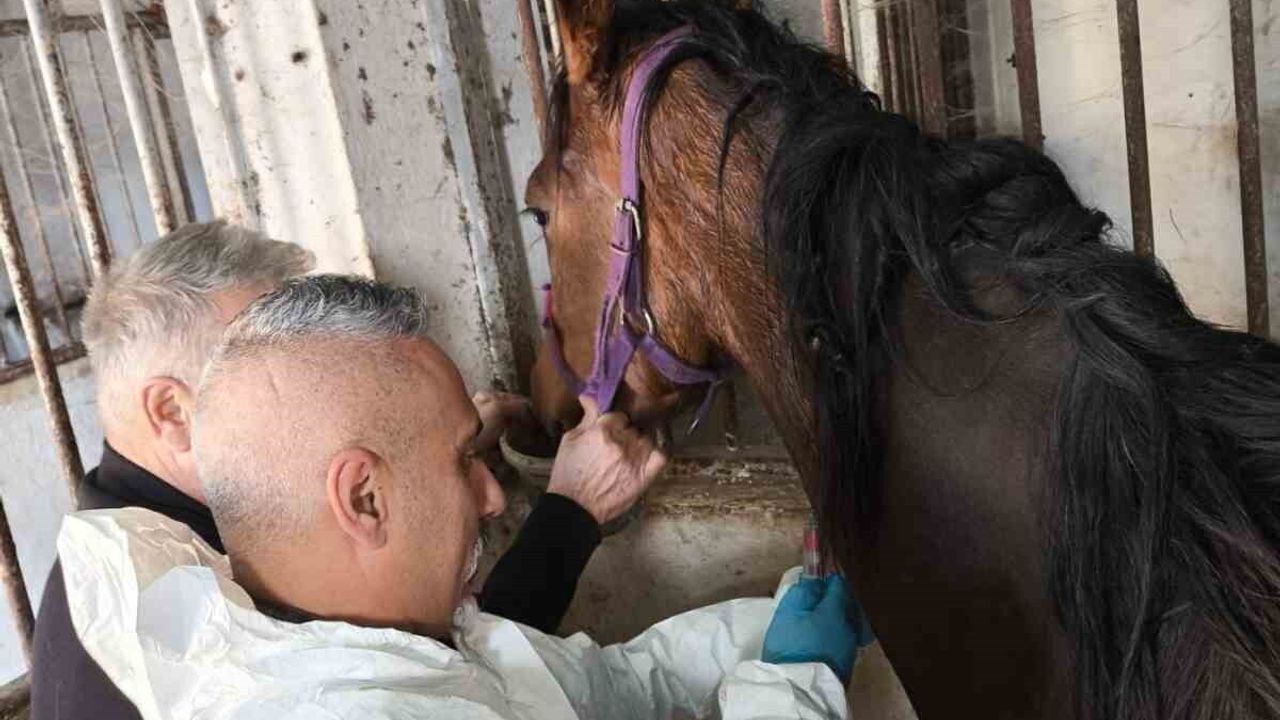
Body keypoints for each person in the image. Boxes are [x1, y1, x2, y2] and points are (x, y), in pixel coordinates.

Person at [55, 274, 859, 718]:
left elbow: (603, 686)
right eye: (463, 460)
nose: (490, 497)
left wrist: (774, 626)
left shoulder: (399, 641)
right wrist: (796, 684)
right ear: (364, 499)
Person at [30, 224, 627, 720]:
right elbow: (433, 680)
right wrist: (570, 514)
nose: (303, 368)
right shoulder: (166, 600)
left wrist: (431, 446)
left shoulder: (120, 546)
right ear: (171, 411)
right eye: (253, 352)